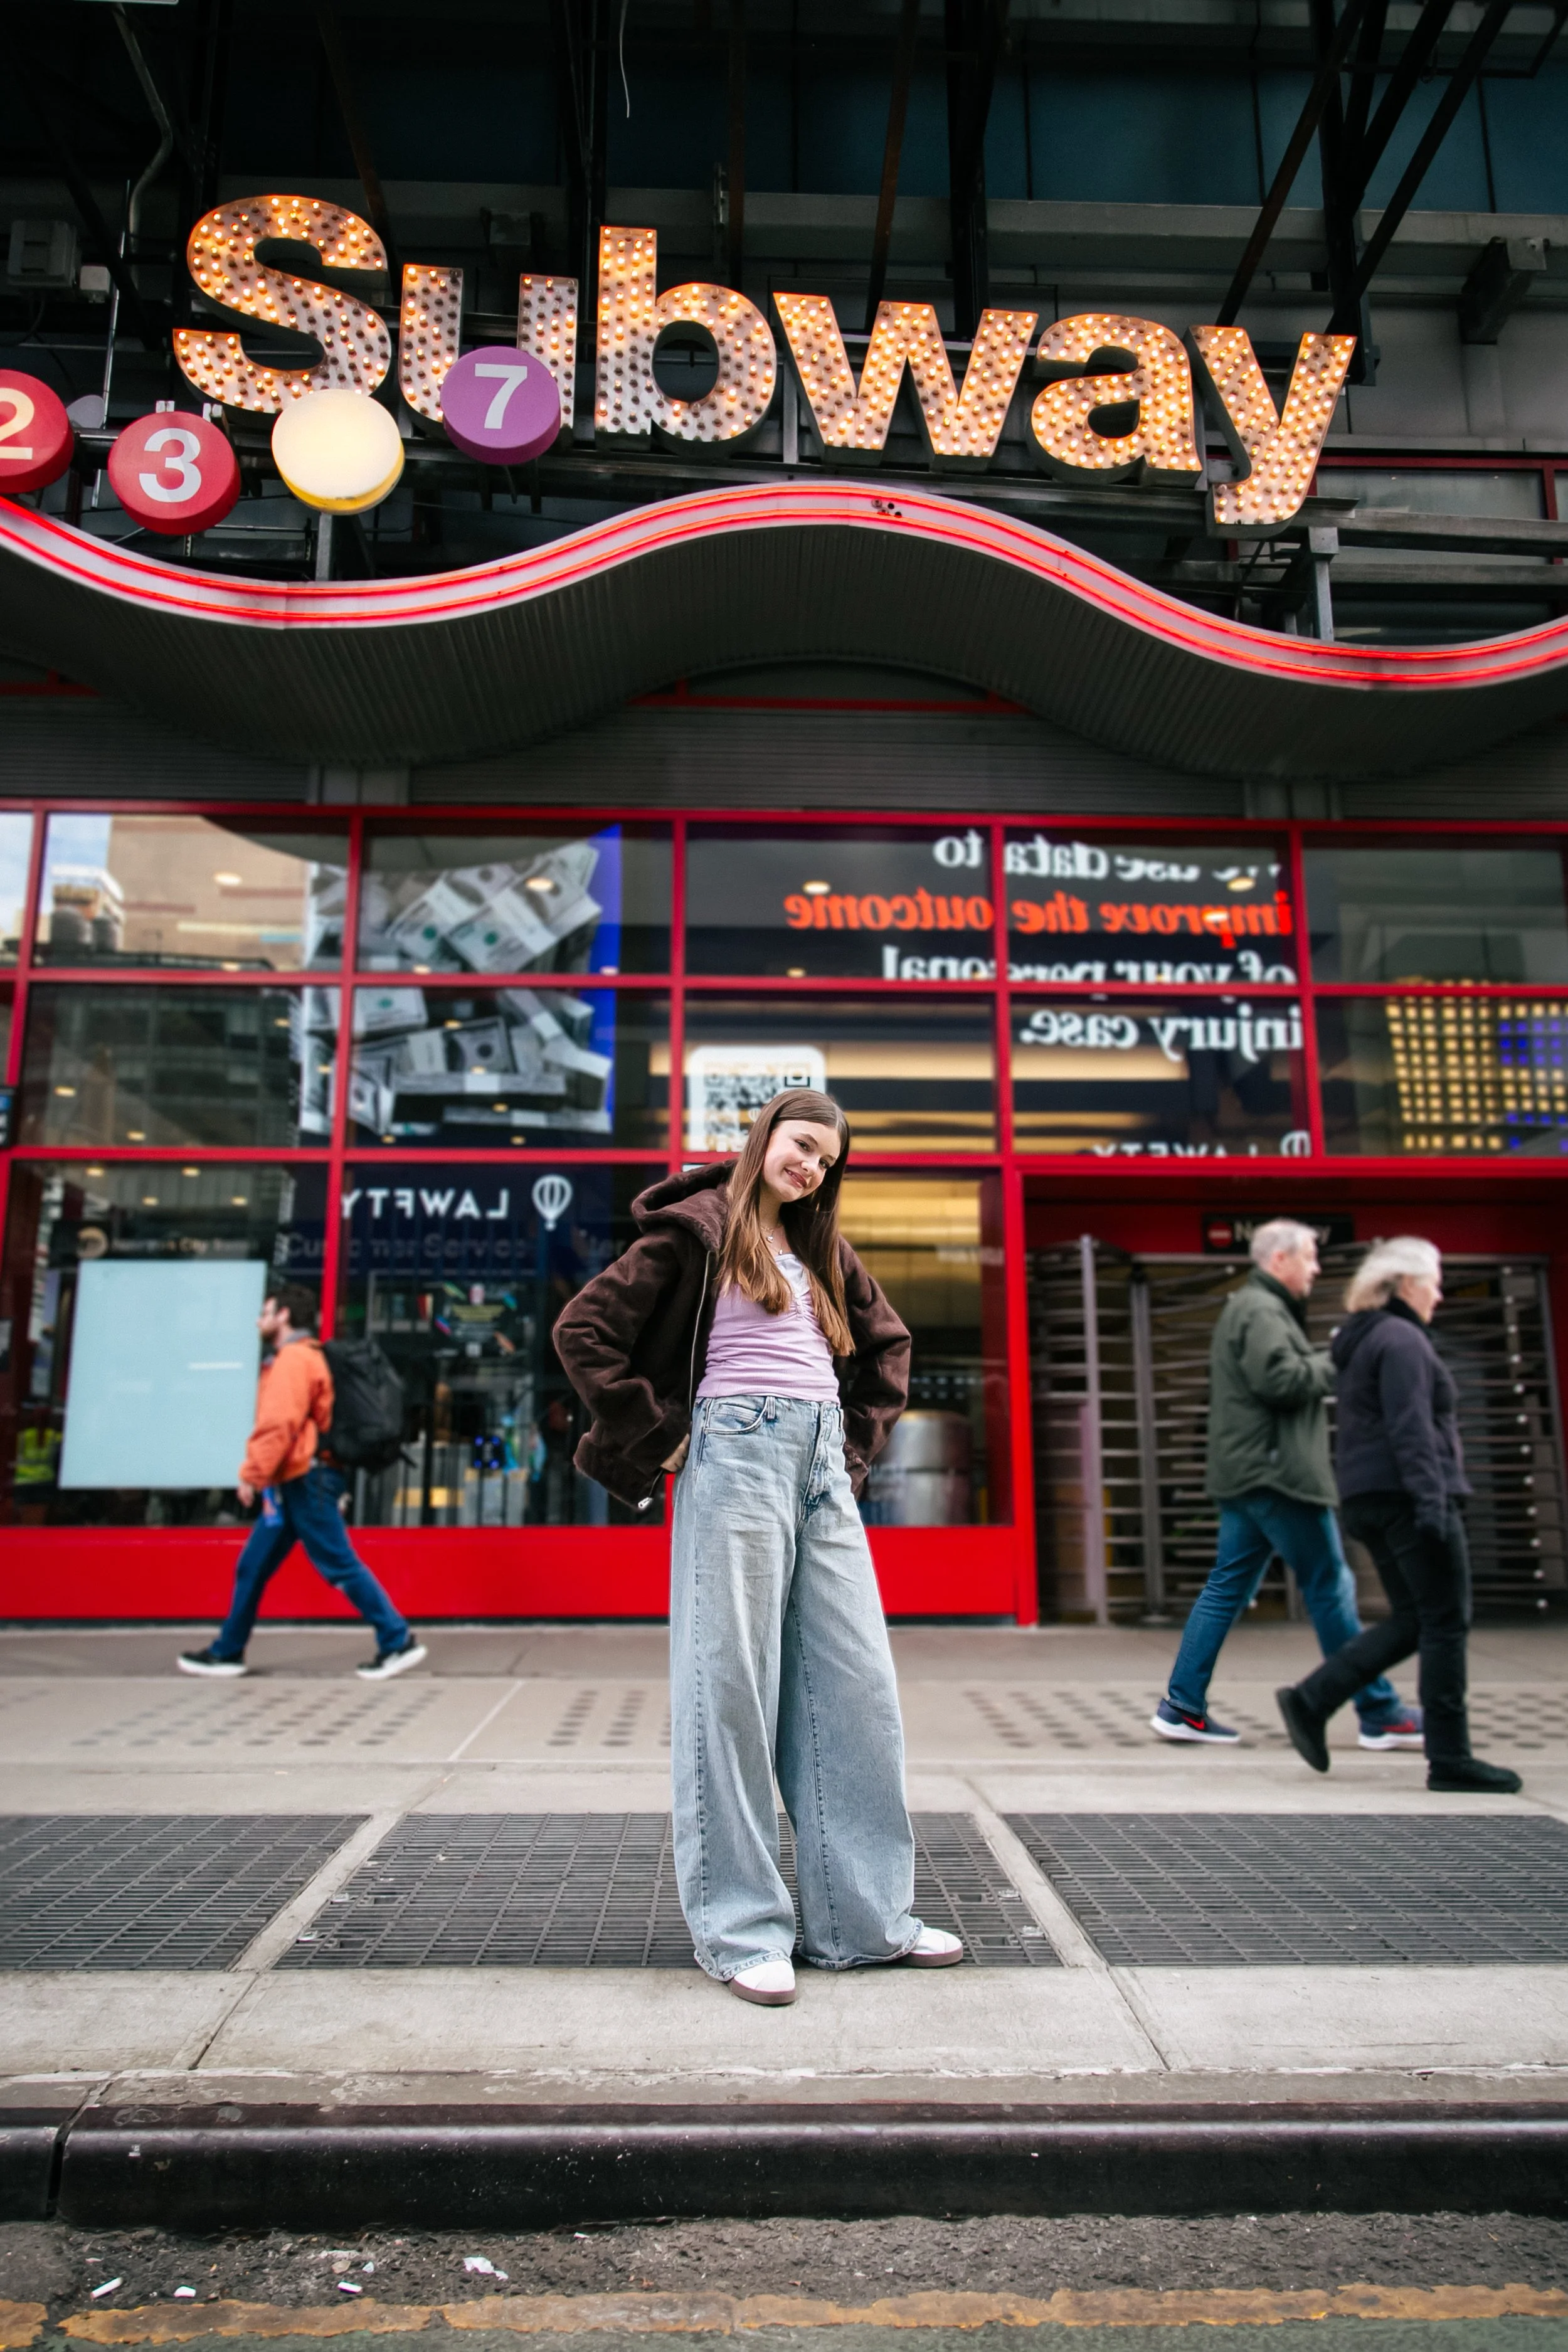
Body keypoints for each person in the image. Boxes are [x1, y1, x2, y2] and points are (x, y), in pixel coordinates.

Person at [553, 1086, 963, 2007]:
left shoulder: (822, 1249)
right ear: (765, 1135)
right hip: (732, 1455)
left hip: (821, 1465)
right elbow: (584, 1331)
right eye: (801, 1142)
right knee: (730, 1688)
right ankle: (741, 1931)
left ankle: (864, 1924)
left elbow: (888, 1344)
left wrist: (851, 1450)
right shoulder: (695, 1230)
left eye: (826, 1157)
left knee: (855, 1690)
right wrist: (663, 1438)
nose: (810, 1164)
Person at [1151, 1217, 1420, 1747]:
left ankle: (1181, 1705)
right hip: (1277, 1477)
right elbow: (1281, 1380)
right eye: (1310, 1257)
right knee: (1330, 1587)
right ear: (1280, 1260)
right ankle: (1380, 1710)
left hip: (1249, 1475)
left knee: (1226, 1588)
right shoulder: (1261, 1309)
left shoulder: (1253, 1308)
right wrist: (1337, 1359)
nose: (1316, 1269)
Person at [1276, 1239, 1520, 1793]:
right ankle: (1451, 1758)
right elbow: (1411, 1429)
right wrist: (1433, 1506)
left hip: (1371, 1499)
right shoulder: (1402, 1339)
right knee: (1446, 1622)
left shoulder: (1364, 1338)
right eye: (1434, 1280)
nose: (1439, 1292)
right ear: (1406, 1284)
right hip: (1408, 1498)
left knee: (1416, 1618)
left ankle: (1312, 1700)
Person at [177, 1281, 426, 1683]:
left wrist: (253, 1474)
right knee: (252, 1566)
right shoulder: (301, 1357)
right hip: (294, 1481)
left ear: (284, 1316)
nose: (259, 1319)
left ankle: (397, 1639)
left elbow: (279, 1424)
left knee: (339, 1563)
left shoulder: (294, 1359)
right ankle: (228, 1651)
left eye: (266, 1311)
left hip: (307, 1480)